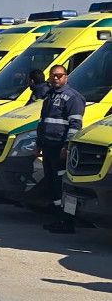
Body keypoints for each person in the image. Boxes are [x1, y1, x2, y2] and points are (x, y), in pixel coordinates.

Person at [37, 65, 86, 233]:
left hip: (60, 147)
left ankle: (68, 221)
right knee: (52, 184)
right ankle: (58, 218)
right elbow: (42, 121)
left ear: (66, 77)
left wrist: (67, 146)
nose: (56, 78)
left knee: (61, 184)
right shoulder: (49, 96)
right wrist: (38, 143)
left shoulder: (72, 97)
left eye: (60, 75)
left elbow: (75, 125)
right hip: (48, 146)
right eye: (53, 75)